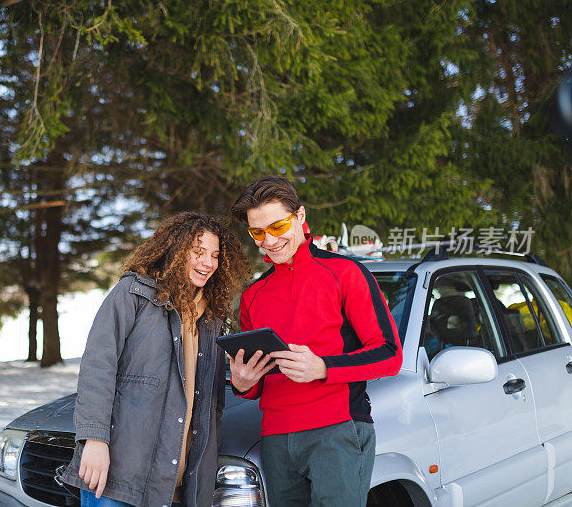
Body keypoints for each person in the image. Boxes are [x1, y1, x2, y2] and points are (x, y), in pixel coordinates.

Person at [228, 176, 403, 507]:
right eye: (257, 233)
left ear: (300, 217)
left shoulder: (345, 272)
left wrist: (323, 367)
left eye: (278, 226)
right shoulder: (253, 296)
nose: (269, 240)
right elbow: (256, 384)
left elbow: (389, 355)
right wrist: (243, 384)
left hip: (337, 431)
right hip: (275, 440)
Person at [61, 212, 249, 507]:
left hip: (175, 487)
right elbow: (98, 368)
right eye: (197, 252)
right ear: (174, 251)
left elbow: (210, 406)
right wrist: (94, 440)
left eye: (214, 256)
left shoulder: (211, 318)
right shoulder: (133, 294)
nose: (207, 263)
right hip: (118, 477)